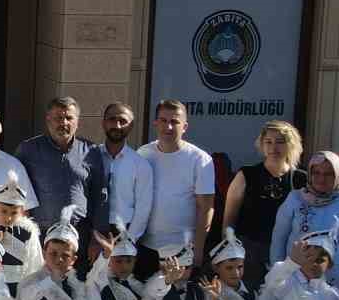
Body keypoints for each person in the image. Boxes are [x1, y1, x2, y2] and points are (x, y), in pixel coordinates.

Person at [270, 150, 339, 300]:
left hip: (334, 283)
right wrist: (277, 276)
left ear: (338, 174)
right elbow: (278, 239)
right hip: (294, 278)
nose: (321, 178)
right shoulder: (295, 198)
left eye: (329, 174)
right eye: (316, 172)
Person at [14, 97, 106, 254]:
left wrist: (97, 238)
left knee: (78, 278)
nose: (64, 123)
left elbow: (100, 197)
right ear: (48, 120)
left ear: (77, 121)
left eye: (69, 118)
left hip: (79, 236)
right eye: (58, 118)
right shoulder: (28, 150)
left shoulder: (91, 151)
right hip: (40, 236)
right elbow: (17, 195)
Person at [220, 119, 306, 287]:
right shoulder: (246, 175)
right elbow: (229, 220)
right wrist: (230, 253)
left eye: (280, 142)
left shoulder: (301, 179)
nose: (274, 147)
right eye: (269, 142)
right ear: (262, 144)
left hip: (288, 254)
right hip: (250, 253)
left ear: (291, 145)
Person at [135, 100, 213, 280]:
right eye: (163, 120)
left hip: (182, 250)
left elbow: (206, 207)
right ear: (155, 123)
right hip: (146, 247)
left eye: (175, 122)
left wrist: (198, 250)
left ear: (184, 126)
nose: (168, 126)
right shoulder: (143, 154)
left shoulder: (200, 159)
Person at [94, 103, 152, 258]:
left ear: (131, 125)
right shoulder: (90, 157)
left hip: (125, 233)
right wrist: (91, 237)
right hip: (93, 234)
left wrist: (128, 241)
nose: (117, 125)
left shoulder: (140, 164)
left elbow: (143, 208)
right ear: (103, 122)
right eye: (112, 119)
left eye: (123, 121)